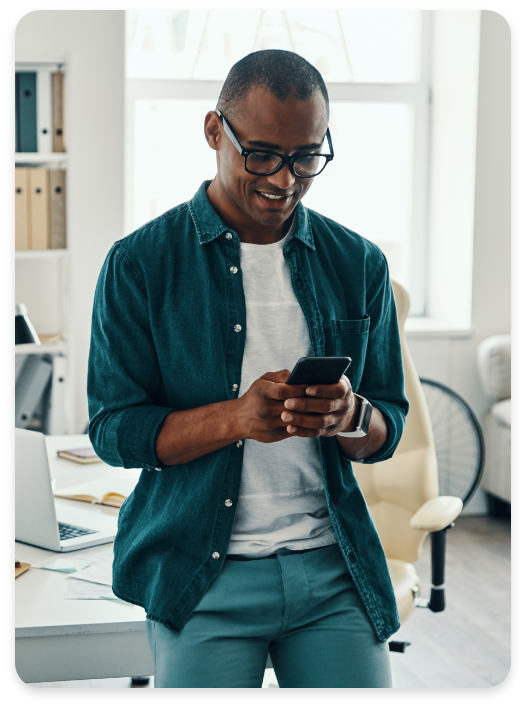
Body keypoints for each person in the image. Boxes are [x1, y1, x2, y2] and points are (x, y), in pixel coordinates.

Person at [88, 49, 409, 689]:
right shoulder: (140, 264)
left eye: (307, 157)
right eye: (260, 154)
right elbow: (113, 431)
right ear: (215, 132)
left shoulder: (359, 263)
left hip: (333, 572)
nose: (285, 180)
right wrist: (235, 418)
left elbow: (388, 423)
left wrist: (352, 416)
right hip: (201, 574)